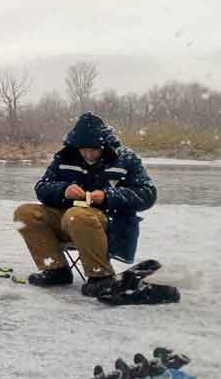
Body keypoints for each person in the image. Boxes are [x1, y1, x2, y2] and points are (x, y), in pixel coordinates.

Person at [13, 112, 157, 297]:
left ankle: (100, 277)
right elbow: (42, 187)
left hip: (110, 223)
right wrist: (63, 190)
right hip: (67, 219)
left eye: (94, 149)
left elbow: (147, 194)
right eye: (84, 149)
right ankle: (55, 269)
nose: (88, 154)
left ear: (104, 145)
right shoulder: (64, 158)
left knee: (78, 215)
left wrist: (107, 196)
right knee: (25, 213)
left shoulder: (126, 159)